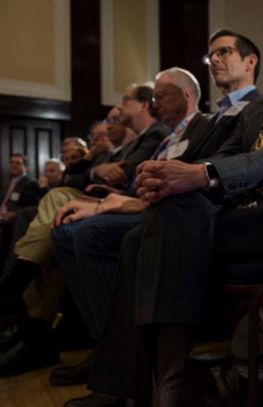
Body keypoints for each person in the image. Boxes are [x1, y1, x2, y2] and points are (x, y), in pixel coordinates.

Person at [66, 11, 263, 406]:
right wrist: (165, 179)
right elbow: (223, 159)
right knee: (138, 236)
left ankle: (168, 384)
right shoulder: (257, 110)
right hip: (240, 212)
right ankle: (138, 384)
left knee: (168, 216)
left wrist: (198, 175)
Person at [50, 30, 262, 396]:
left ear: (250, 61)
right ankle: (132, 372)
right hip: (179, 201)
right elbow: (182, 167)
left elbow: (230, 166)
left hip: (211, 205)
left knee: (107, 233)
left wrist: (141, 195)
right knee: (117, 236)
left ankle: (158, 375)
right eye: (211, 54)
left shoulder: (258, 108)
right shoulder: (212, 118)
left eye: (224, 52)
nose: (214, 60)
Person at [0, 86, 167, 377]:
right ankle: (31, 327)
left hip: (128, 205)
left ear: (142, 105)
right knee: (55, 223)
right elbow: (82, 177)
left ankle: (15, 293)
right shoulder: (130, 143)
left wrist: (97, 173)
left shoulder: (154, 135)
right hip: (106, 198)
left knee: (58, 208)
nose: (116, 113)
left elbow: (125, 175)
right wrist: (95, 169)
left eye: (125, 102)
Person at [0, 154, 40, 278]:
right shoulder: (7, 182)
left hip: (13, 219)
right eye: (12, 162)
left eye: (18, 163)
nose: (13, 165)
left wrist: (13, 214)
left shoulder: (30, 183)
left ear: (25, 167)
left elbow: (30, 207)